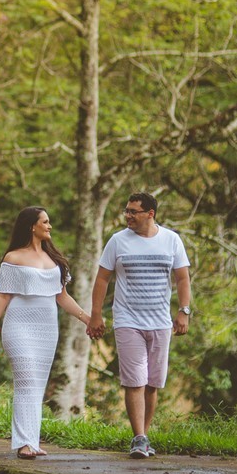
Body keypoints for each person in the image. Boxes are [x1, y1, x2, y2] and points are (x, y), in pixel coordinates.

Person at [87, 192, 191, 459]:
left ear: (150, 213)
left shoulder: (171, 240)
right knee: (135, 381)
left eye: (133, 211)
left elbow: (182, 278)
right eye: (127, 211)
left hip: (160, 321)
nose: (128, 216)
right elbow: (102, 278)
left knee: (152, 383)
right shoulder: (117, 241)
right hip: (128, 320)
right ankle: (139, 438)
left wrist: (184, 311)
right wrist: (96, 314)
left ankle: (144, 436)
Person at [0, 206, 92, 460]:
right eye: (45, 222)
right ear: (32, 226)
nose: (49, 226)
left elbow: (62, 297)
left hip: (46, 328)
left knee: (37, 384)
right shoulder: (13, 258)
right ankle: (24, 443)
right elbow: (2, 295)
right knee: (27, 381)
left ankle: (32, 441)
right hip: (19, 325)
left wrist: (88, 319)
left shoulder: (55, 260)